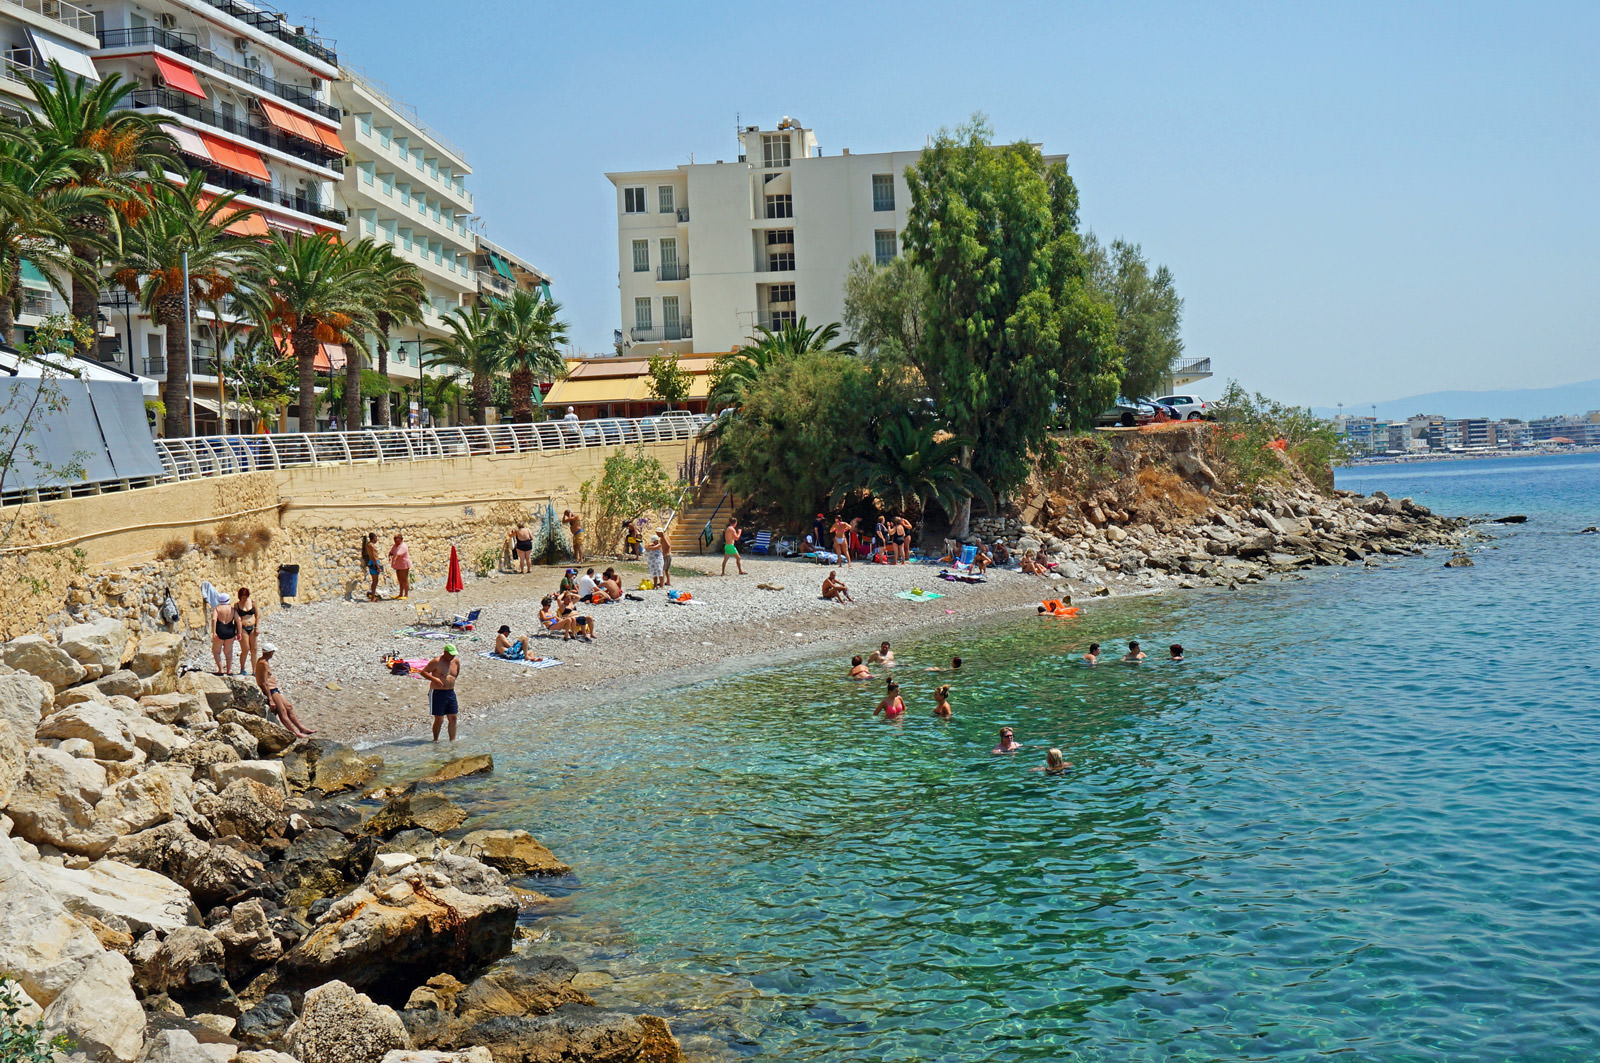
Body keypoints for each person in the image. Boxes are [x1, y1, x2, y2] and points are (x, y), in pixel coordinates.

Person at [253, 643, 314, 738]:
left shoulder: (262, 661)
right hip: (271, 690)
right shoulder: (263, 663)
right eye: (273, 652)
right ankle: (295, 733)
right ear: (270, 652)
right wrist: (270, 699)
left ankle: (302, 728)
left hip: (274, 689)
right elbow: (264, 682)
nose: (273, 654)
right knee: (282, 712)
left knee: (289, 707)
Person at [422, 644, 461, 742]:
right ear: (445, 653)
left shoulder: (455, 661)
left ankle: (452, 741)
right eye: (451, 655)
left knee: (453, 717)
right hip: (437, 693)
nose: (452, 657)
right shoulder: (436, 662)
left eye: (454, 655)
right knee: (439, 719)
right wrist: (435, 679)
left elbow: (456, 673)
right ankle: (435, 740)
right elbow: (423, 672)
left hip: (451, 692)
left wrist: (450, 682)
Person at [211, 592, 238, 675]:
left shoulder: (217, 609)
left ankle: (221, 669)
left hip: (220, 631)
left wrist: (214, 632)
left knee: (216, 652)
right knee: (228, 652)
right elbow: (238, 620)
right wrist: (239, 632)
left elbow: (214, 619)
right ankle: (229, 670)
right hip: (230, 632)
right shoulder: (232, 609)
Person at [235, 587, 259, 676]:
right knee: (245, 649)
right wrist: (238, 631)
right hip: (243, 628)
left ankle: (254, 670)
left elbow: (257, 615)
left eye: (245, 597)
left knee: (254, 649)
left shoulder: (252, 602)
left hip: (252, 627)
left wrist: (257, 627)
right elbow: (237, 619)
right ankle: (242, 668)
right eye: (242, 597)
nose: (244, 599)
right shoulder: (237, 605)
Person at [389, 533, 412, 600]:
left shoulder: (403, 546)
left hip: (404, 564)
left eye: (396, 538)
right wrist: (390, 556)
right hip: (398, 565)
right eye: (394, 538)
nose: (395, 540)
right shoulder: (395, 545)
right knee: (400, 579)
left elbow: (398, 554)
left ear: (400, 539)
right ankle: (400, 594)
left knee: (404, 579)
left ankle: (406, 594)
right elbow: (392, 552)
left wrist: (394, 560)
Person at [362, 532, 383, 600]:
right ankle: (373, 597)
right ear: (373, 538)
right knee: (375, 580)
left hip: (372, 562)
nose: (376, 539)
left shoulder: (369, 544)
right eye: (376, 537)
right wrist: (377, 566)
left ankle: (373, 595)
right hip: (374, 562)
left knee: (375, 580)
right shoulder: (371, 545)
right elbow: (374, 556)